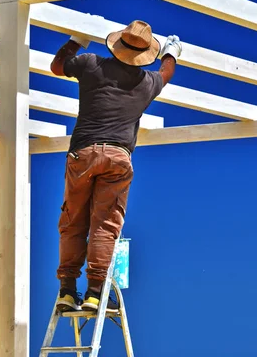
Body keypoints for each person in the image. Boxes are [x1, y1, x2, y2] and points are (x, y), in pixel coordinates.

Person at [49, 20, 182, 312]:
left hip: (82, 154)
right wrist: (171, 53)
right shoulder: (147, 83)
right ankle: (96, 293)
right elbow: (166, 73)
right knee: (105, 225)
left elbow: (57, 66)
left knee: (73, 222)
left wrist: (75, 41)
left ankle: (67, 291)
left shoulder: (90, 64)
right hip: (118, 158)